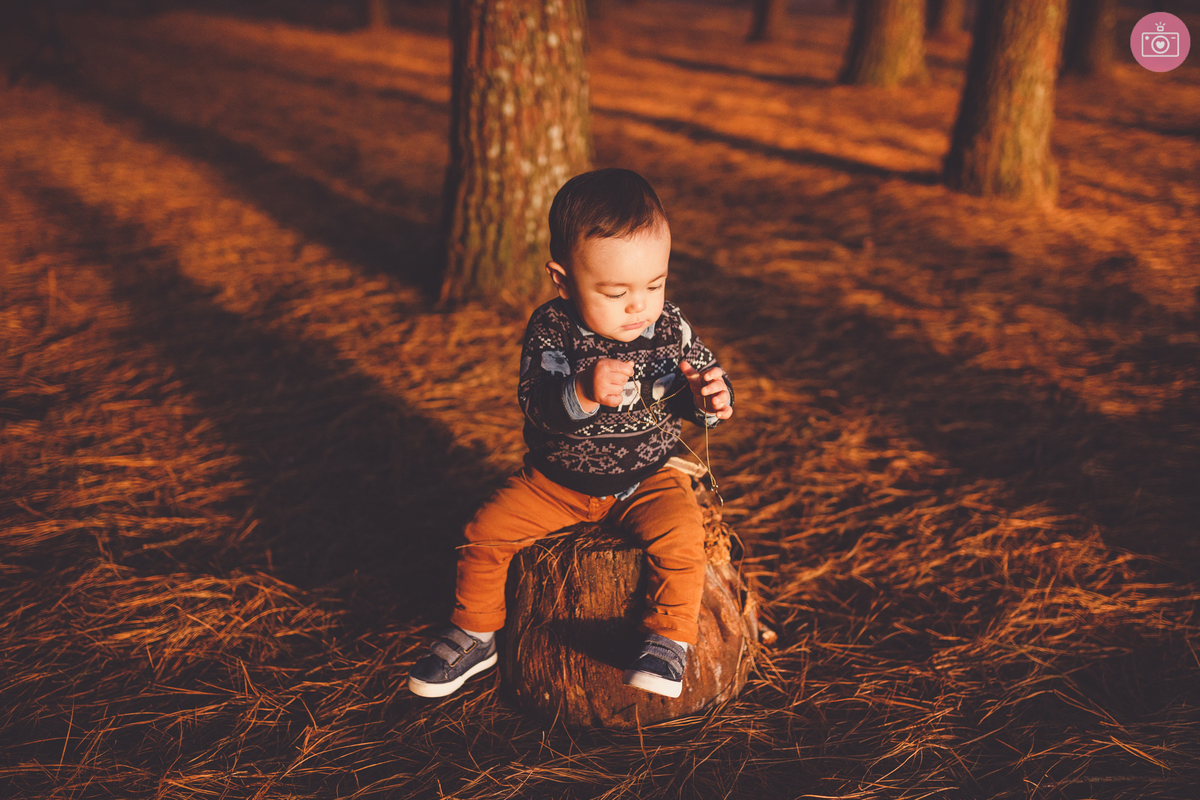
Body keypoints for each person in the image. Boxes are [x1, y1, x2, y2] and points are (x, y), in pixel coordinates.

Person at [407, 168, 734, 699]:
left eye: (654, 284)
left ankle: (669, 641)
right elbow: (535, 405)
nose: (638, 305)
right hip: (555, 483)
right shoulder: (553, 329)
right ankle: (476, 631)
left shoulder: (670, 327)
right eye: (615, 291)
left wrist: (712, 400)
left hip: (647, 478)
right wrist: (581, 390)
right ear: (563, 281)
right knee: (484, 533)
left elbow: (699, 382)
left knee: (681, 537)